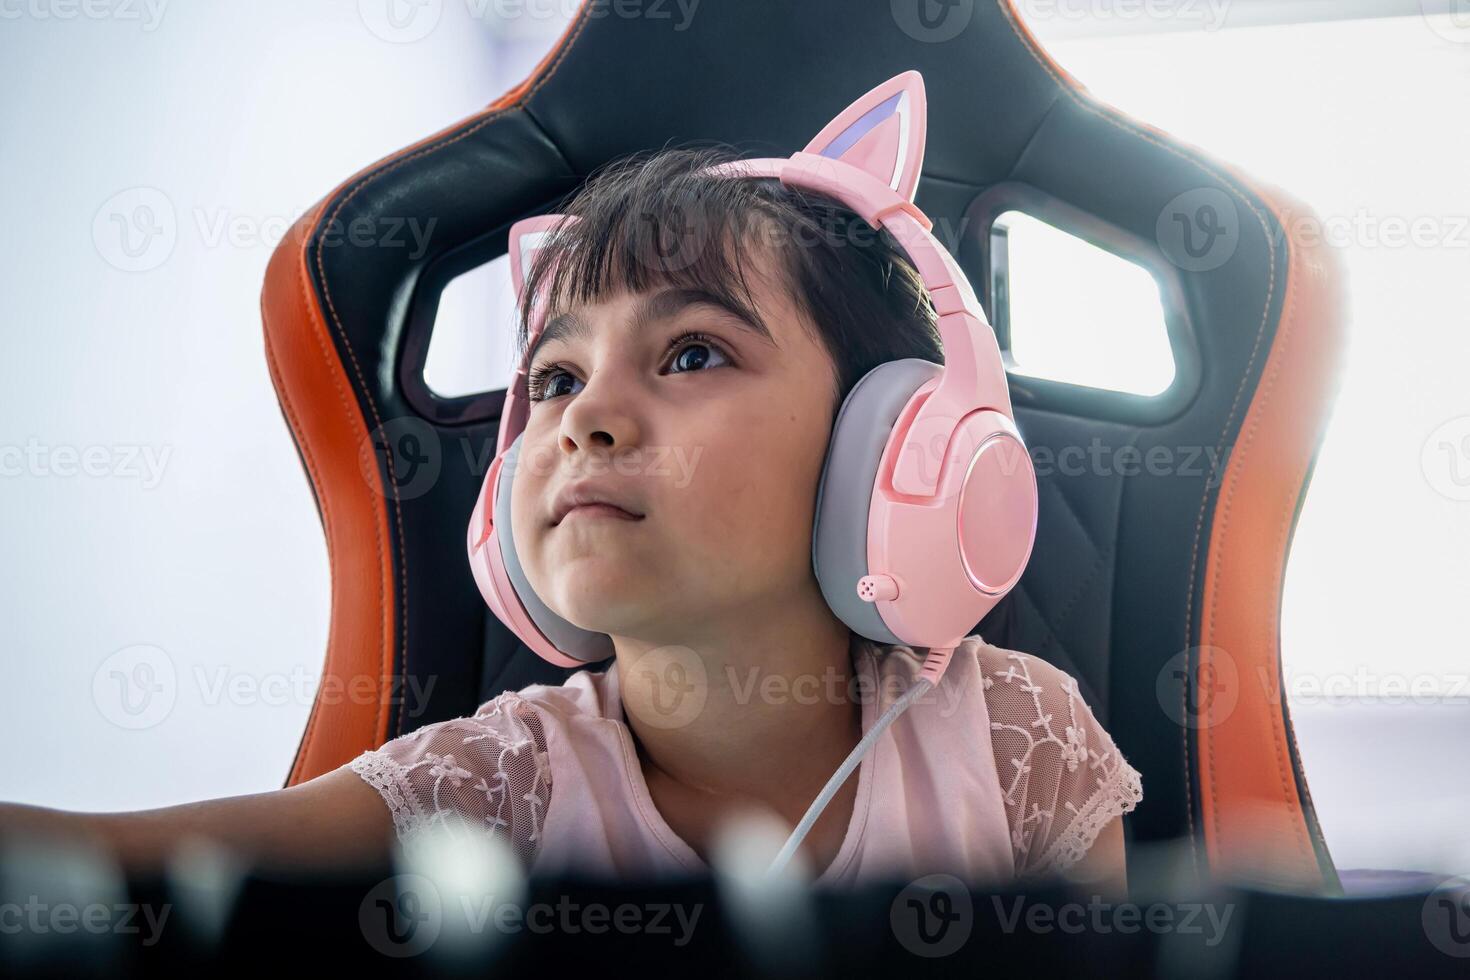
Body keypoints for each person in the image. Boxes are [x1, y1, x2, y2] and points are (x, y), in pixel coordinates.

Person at [0, 144, 1141, 895]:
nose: (584, 416)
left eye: (692, 352)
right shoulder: (501, 778)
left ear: (887, 448)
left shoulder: (1012, 742)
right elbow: (134, 866)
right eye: (552, 379)